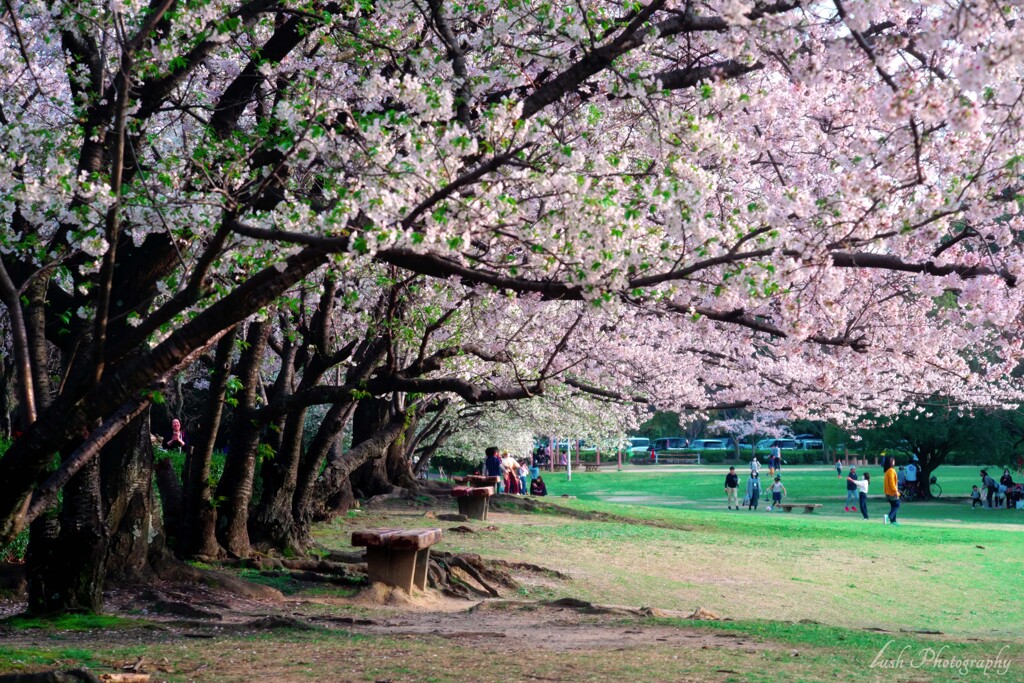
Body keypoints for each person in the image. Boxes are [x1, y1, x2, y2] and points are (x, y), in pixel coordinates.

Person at [883, 456, 901, 525]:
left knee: (893, 506)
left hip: (888, 492)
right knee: (897, 504)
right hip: (892, 492)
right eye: (893, 460)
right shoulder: (891, 470)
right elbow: (892, 483)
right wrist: (895, 491)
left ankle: (893, 521)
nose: (894, 461)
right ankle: (889, 517)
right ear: (891, 462)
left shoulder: (888, 470)